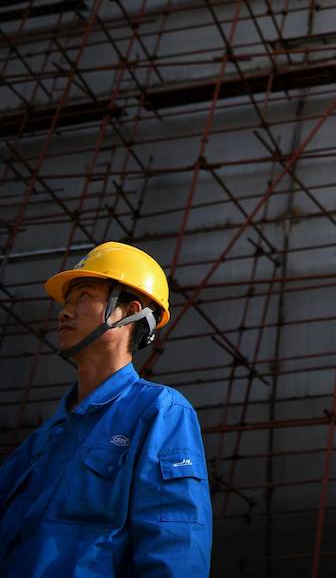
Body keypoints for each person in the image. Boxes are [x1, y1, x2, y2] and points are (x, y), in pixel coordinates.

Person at [0, 241, 213, 576]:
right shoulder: (44, 438)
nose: (65, 312)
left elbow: (175, 543)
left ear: (129, 312)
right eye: (66, 301)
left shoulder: (159, 412)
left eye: (83, 296)